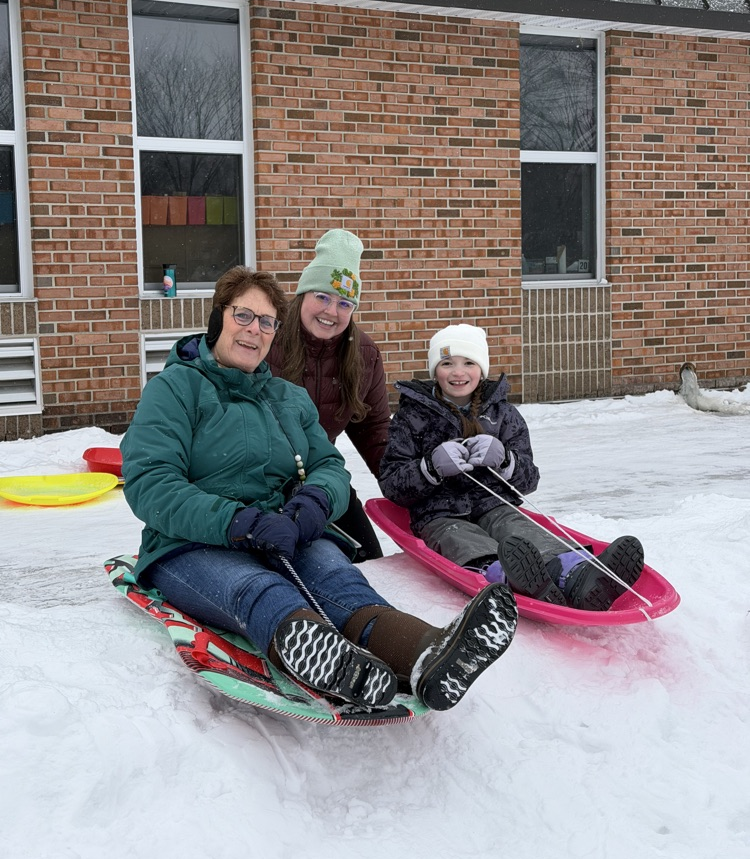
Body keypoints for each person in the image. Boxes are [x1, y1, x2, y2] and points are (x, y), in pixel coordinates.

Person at [121, 268, 518, 712]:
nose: (255, 330)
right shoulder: (174, 390)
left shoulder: (287, 398)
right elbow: (151, 484)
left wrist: (314, 502)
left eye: (268, 322)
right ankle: (335, 666)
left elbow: (329, 465)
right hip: (190, 544)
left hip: (280, 530)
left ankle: (431, 655)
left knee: (340, 582)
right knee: (259, 590)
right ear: (218, 319)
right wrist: (237, 522)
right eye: (244, 316)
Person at [379, 323, 645, 611]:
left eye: (469, 362)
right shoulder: (411, 418)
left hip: (495, 503)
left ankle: (575, 575)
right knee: (460, 538)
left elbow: (529, 479)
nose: (458, 372)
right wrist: (430, 468)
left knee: (519, 530)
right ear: (434, 370)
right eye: (447, 363)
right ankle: (507, 576)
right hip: (438, 513)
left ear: (482, 368)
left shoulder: (503, 415)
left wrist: (505, 459)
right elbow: (393, 483)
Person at [267, 229, 390, 562]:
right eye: (322, 296)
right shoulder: (266, 339)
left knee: (369, 557)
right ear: (303, 294)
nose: (331, 311)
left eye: (344, 303)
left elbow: (374, 430)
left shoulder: (363, 354)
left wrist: (409, 487)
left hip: (322, 478)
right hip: (259, 480)